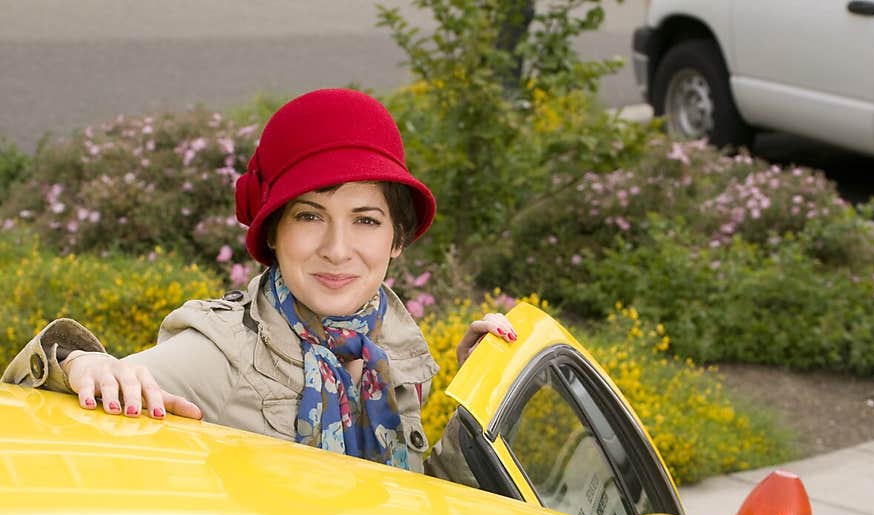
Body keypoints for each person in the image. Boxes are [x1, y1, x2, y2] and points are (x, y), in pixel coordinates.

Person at [3, 88, 515, 475]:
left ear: (397, 239)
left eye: (365, 220)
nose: (337, 249)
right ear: (273, 232)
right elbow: (36, 431)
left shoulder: (388, 339)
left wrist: (480, 403)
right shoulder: (221, 355)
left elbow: (421, 512)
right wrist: (75, 365)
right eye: (310, 217)